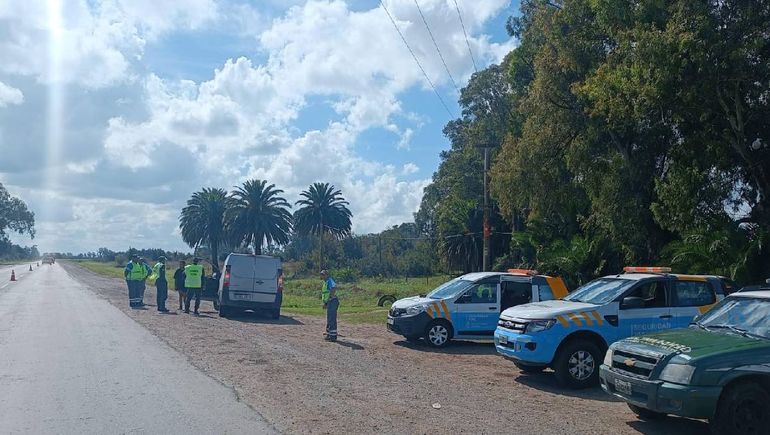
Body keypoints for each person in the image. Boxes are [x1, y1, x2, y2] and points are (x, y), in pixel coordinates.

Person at [320, 270, 339, 341]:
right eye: (321, 274)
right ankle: (329, 334)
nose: (322, 276)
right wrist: (325, 303)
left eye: (323, 274)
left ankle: (333, 336)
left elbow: (334, 288)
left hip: (332, 301)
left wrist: (330, 298)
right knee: (329, 319)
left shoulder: (330, 281)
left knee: (332, 319)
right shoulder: (325, 282)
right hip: (329, 302)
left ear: (327, 275)